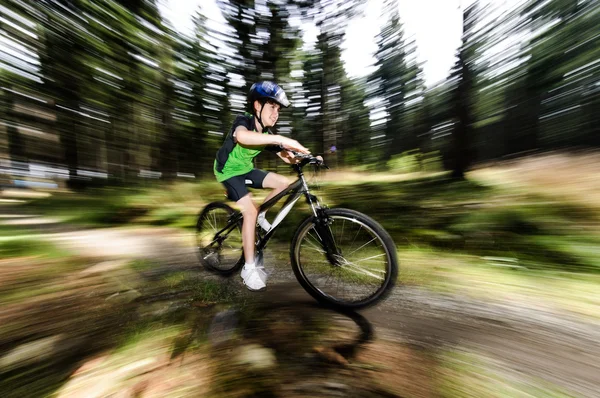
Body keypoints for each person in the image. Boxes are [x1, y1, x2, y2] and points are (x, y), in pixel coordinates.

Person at [214, 81, 311, 291]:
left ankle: (259, 215)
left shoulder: (267, 135)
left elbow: (287, 157)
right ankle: (248, 269)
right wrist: (280, 138)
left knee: (284, 183)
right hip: (227, 172)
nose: (276, 113)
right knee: (249, 210)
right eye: (272, 107)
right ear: (257, 106)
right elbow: (241, 137)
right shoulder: (244, 122)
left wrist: (308, 157)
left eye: (278, 109)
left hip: (245, 170)